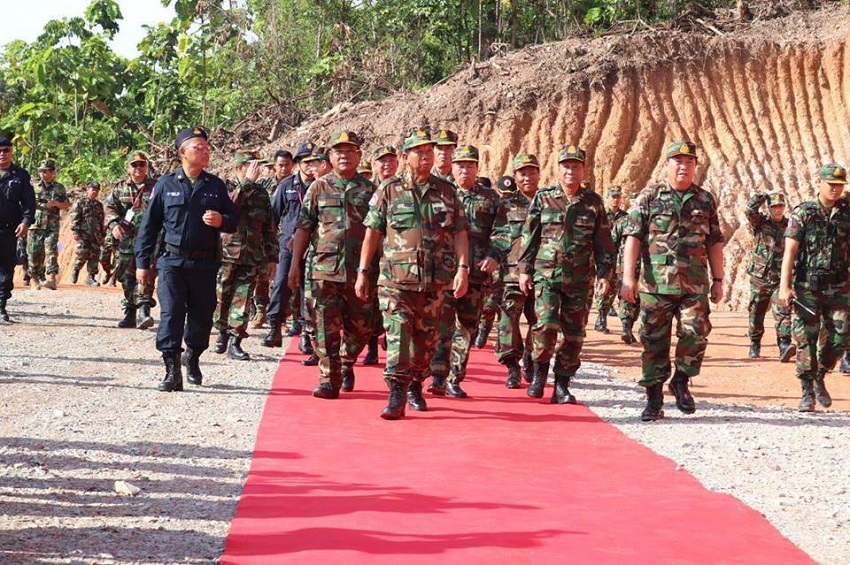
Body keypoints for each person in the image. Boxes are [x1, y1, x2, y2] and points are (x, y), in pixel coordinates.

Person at [356, 128, 469, 419]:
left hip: (434, 282)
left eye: (429, 152)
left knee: (426, 342)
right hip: (395, 281)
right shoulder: (389, 190)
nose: (426, 157)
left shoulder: (446, 191)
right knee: (398, 335)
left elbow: (459, 233)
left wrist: (463, 269)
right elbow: (372, 233)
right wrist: (363, 271)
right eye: (419, 152)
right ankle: (396, 393)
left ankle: (416, 383)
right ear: (406, 157)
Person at [621, 141, 725, 421]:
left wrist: (718, 279)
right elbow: (633, 237)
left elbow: (715, 241)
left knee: (696, 333)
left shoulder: (705, 199)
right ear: (666, 164)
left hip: (694, 284)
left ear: (695, 167)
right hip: (656, 286)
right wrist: (628, 278)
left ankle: (680, 380)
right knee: (653, 342)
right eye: (678, 161)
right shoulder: (649, 196)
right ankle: (653, 400)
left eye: (689, 162)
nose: (683, 166)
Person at [135, 127, 237, 392]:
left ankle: (193, 356)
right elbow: (149, 226)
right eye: (198, 147)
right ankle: (171, 369)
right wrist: (142, 263)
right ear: (183, 152)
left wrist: (221, 221)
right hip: (172, 262)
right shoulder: (165, 185)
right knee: (171, 314)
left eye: (206, 147)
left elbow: (234, 220)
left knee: (202, 317)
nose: (205, 151)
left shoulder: (215, 185)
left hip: (204, 264)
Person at [517, 145, 615, 404]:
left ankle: (562, 384)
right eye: (566, 166)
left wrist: (606, 274)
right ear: (558, 169)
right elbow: (529, 236)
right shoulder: (544, 197)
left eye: (576, 166)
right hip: (547, 274)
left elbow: (603, 241)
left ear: (583, 170)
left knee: (574, 334)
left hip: (580, 278)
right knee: (546, 324)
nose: (571, 171)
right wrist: (524, 270)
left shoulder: (593, 203)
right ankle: (539, 372)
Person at [288, 131, 376, 398]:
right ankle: (329, 378)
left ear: (359, 156)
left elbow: (380, 232)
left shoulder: (371, 190)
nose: (344, 156)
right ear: (330, 157)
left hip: (360, 270)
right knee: (324, 325)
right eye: (339, 152)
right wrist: (295, 266)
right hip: (323, 269)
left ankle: (346, 362)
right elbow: (304, 228)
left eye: (350, 151)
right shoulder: (319, 187)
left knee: (362, 326)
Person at [429, 145, 504, 398]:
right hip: (444, 273)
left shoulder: (490, 198)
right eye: (460, 165)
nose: (465, 169)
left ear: (477, 168)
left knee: (466, 327)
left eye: (470, 165)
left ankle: (454, 377)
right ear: (453, 166)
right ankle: (438, 375)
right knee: (442, 325)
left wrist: (495, 255)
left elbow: (503, 231)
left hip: (477, 274)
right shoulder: (439, 192)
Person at [778, 163, 850, 412]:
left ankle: (820, 374)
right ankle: (807, 391)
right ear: (819, 183)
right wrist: (784, 287)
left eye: (840, 185)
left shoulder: (846, 213)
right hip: (807, 286)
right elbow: (790, 251)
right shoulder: (804, 213)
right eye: (831, 184)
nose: (835, 189)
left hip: (839, 285)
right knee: (806, 339)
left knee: (840, 337)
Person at [213, 150, 278, 360]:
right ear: (240, 167)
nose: (257, 168)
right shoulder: (225, 187)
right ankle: (221, 332)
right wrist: (247, 182)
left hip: (252, 254)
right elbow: (230, 207)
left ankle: (235, 340)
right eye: (252, 165)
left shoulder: (261, 193)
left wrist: (272, 257)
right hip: (226, 253)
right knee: (222, 294)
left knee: (244, 297)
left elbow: (269, 227)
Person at [262, 143, 316, 354]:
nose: (311, 166)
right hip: (288, 244)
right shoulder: (287, 185)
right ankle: (274, 327)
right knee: (281, 283)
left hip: (313, 245)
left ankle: (305, 332)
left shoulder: (321, 185)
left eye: (314, 162)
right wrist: (271, 250)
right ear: (298, 164)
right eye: (306, 162)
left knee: (307, 289)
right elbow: (273, 218)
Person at [493, 158, 540, 387]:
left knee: (538, 319)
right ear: (516, 176)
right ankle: (511, 365)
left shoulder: (548, 201)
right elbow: (497, 234)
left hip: (542, 272)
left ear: (539, 175)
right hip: (511, 273)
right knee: (508, 319)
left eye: (531, 173)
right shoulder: (506, 203)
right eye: (522, 173)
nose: (527, 177)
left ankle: (529, 356)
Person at [106, 151, 158, 329]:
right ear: (128, 168)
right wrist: (113, 225)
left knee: (147, 273)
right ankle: (130, 311)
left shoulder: (156, 187)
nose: (138, 168)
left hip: (150, 239)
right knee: (127, 276)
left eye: (141, 164)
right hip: (127, 239)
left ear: (147, 166)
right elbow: (110, 208)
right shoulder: (119, 188)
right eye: (134, 165)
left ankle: (144, 309)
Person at [745, 190, 794, 361]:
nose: (777, 209)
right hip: (760, 277)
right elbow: (749, 211)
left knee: (783, 311)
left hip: (780, 279)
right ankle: (755, 342)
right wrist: (760, 197)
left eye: (780, 206)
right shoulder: (760, 223)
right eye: (774, 206)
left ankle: (784, 345)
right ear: (769, 208)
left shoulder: (790, 226)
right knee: (756, 312)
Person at [252, 149, 294, 328]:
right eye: (280, 165)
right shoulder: (263, 184)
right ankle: (260, 310)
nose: (283, 168)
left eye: (287, 165)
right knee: (262, 273)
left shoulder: (296, 184)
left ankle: (283, 312)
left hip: (286, 236)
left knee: (283, 277)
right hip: (265, 234)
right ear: (274, 166)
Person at [0, 136, 35, 322]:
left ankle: (1, 306)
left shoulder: (20, 175)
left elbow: (29, 201)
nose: (2, 154)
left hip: (8, 230)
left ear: (11, 152)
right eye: (0, 150)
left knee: (6, 269)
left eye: (6, 150)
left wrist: (26, 221)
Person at [27, 159, 69, 290]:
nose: (43, 174)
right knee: (34, 253)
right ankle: (34, 278)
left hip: (52, 226)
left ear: (52, 172)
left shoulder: (59, 188)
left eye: (45, 171)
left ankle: (51, 278)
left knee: (51, 251)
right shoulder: (33, 187)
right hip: (35, 225)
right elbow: (24, 203)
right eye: (41, 171)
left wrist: (56, 204)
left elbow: (66, 205)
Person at [593, 186, 628, 333]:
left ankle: (604, 316)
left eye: (618, 197)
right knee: (602, 286)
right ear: (607, 197)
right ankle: (601, 319)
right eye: (613, 196)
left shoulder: (625, 216)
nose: (615, 199)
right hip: (602, 256)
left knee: (614, 288)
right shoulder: (601, 215)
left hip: (618, 258)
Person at [69, 181, 105, 286]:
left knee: (94, 256)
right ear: (88, 190)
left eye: (97, 190)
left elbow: (101, 220)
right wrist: (75, 231)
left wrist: (102, 234)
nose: (95, 192)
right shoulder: (80, 202)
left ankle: (91, 277)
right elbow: (74, 216)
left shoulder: (99, 205)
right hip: (83, 234)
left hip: (95, 235)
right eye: (93, 189)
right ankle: (76, 269)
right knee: (82, 254)